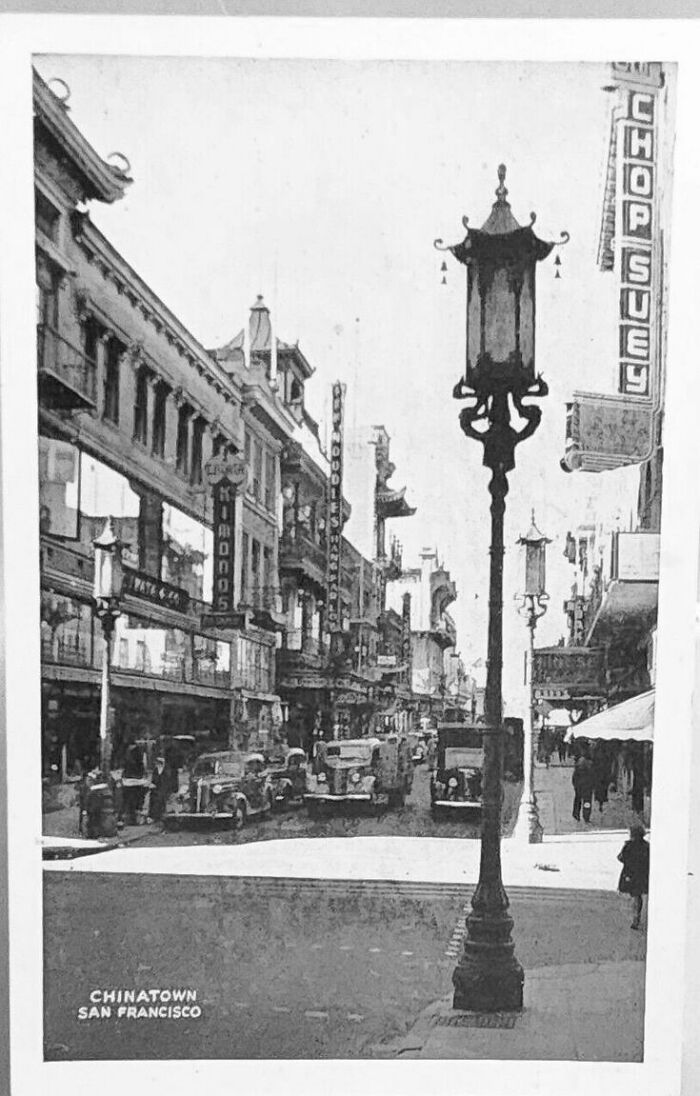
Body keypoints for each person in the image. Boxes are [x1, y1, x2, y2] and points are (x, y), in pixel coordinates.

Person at [617, 821, 650, 929]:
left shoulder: (629, 845)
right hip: (642, 873)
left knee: (635, 895)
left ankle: (636, 917)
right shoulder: (646, 846)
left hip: (631, 873)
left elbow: (621, 857)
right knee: (639, 895)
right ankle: (637, 916)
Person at [572, 749, 595, 823]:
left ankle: (576, 814)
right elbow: (593, 776)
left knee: (578, 800)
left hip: (579, 785)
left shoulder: (579, 763)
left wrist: (575, 784)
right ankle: (586, 816)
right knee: (587, 802)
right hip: (587, 786)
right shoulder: (590, 764)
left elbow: (575, 776)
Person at [147, 756, 170, 823]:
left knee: (159, 797)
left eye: (158, 764)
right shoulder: (155, 770)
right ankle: (152, 815)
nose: (157, 765)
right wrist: (152, 784)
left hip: (164, 789)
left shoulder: (166, 771)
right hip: (156, 788)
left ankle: (158, 815)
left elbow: (166, 782)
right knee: (152, 796)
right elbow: (153, 780)